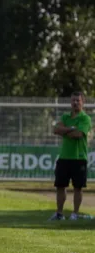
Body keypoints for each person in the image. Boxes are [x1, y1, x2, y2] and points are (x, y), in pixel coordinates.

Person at [50, 91, 92, 221]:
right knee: (60, 186)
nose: (75, 103)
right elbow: (55, 129)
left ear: (82, 102)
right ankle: (59, 213)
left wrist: (64, 130)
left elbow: (78, 135)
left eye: (77, 101)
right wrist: (71, 128)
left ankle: (75, 213)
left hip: (79, 158)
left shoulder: (85, 118)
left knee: (78, 187)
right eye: (73, 100)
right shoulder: (65, 116)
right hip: (64, 157)